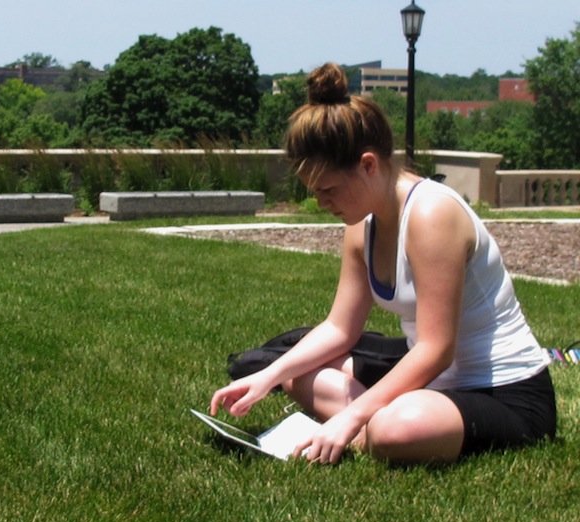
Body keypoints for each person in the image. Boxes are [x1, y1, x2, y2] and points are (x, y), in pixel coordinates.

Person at [209, 63, 555, 465]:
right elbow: (339, 328)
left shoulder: (431, 216)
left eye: (329, 190)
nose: (322, 203)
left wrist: (353, 414)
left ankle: (368, 429)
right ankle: (369, 426)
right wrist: (265, 377)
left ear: (368, 165)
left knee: (395, 429)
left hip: (503, 392)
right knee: (296, 374)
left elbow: (435, 349)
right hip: (431, 388)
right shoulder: (362, 225)